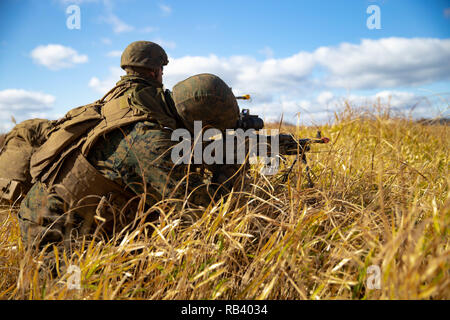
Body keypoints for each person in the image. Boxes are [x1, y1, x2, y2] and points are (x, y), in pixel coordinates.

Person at [17, 41, 244, 261]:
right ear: (157, 72)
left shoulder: (121, 102)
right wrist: (231, 166)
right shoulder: (149, 138)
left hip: (47, 215)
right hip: (57, 239)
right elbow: (202, 213)